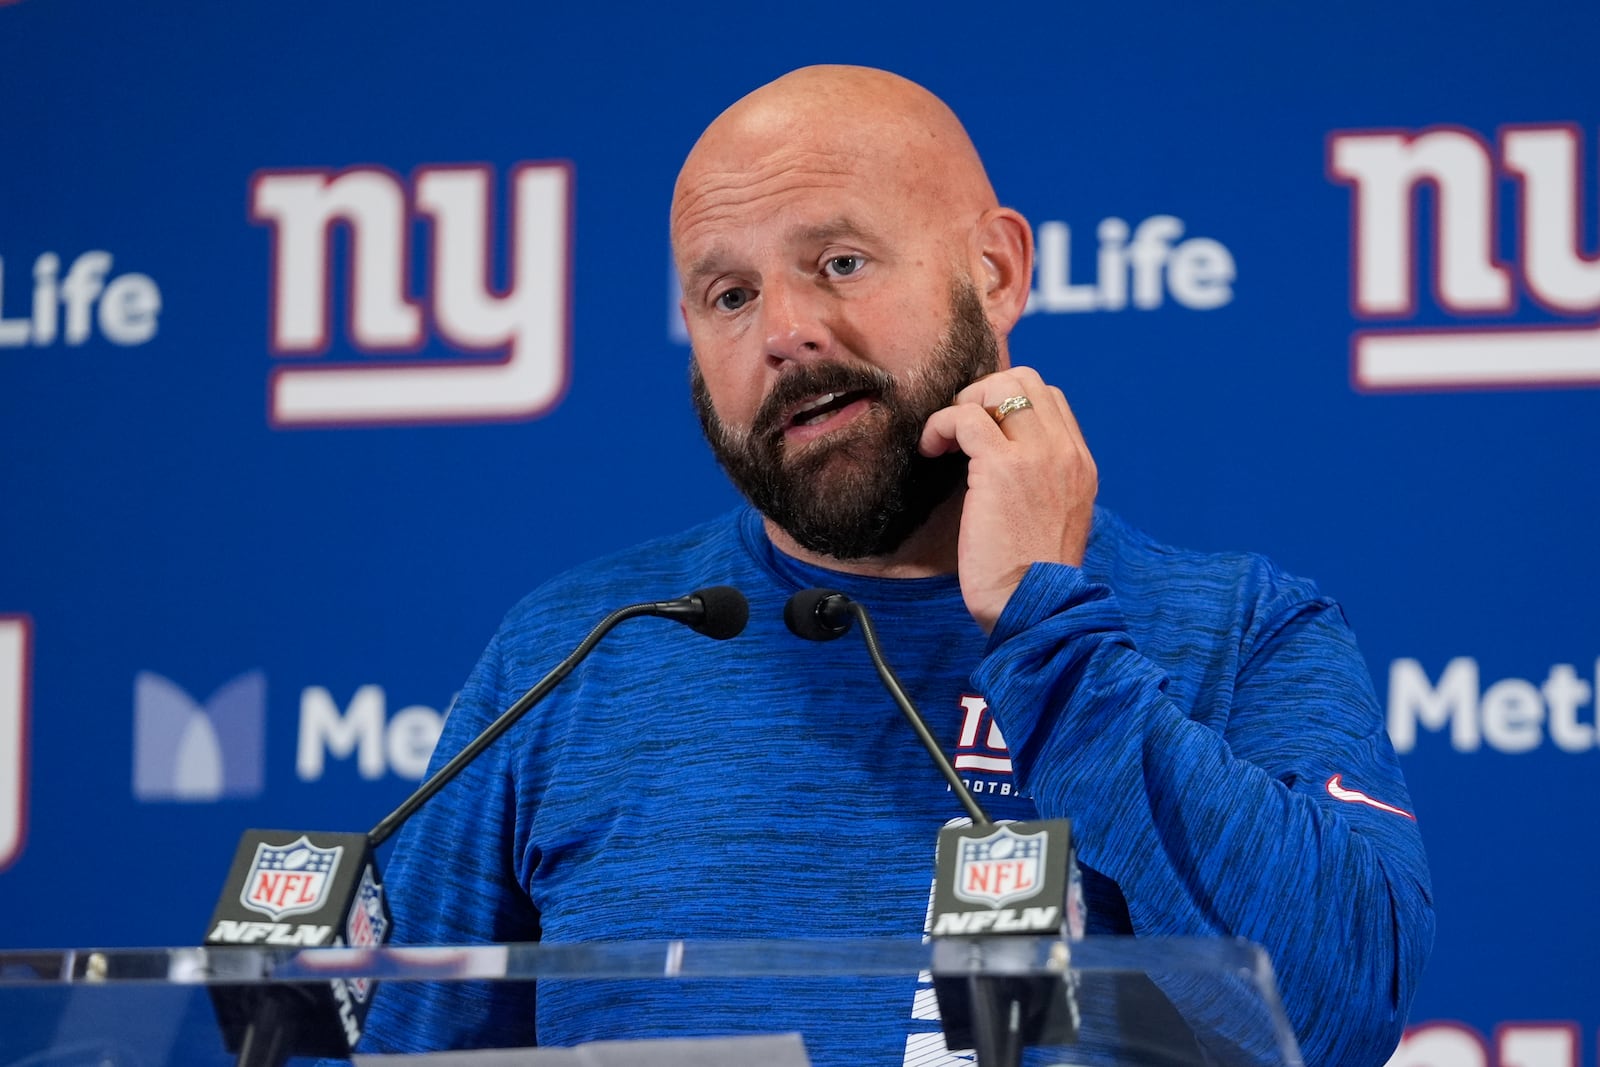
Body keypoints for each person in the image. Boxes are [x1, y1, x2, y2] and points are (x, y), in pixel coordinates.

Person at [359, 65, 1433, 1067]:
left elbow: (1336, 1011)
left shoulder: (1239, 628)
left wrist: (1048, 632)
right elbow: (386, 1048)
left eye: (838, 263)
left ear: (995, 270)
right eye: (728, 295)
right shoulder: (574, 650)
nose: (785, 330)